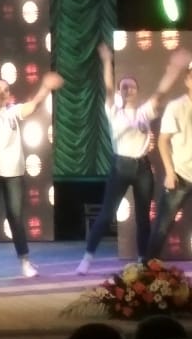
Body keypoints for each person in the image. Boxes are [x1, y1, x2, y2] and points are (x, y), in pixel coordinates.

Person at [77, 44, 189, 274]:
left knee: (143, 217)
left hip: (143, 168)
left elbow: (160, 93)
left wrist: (174, 70)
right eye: (124, 86)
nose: (128, 89)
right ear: (120, 92)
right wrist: (106, 61)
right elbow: (108, 88)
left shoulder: (143, 112)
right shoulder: (113, 111)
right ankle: (87, 258)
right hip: (120, 166)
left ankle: (142, 261)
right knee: (107, 213)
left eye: (132, 86)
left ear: (137, 91)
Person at [0, 70, 64, 279]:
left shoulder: (13, 112)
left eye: (6, 89)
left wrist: (45, 87)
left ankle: (25, 263)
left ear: (10, 94)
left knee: (16, 219)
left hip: (14, 175)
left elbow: (33, 105)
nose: (2, 92)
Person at [146, 56, 192, 259]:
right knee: (162, 226)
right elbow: (163, 141)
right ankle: (147, 267)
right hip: (181, 174)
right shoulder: (176, 106)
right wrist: (170, 172)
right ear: (187, 80)